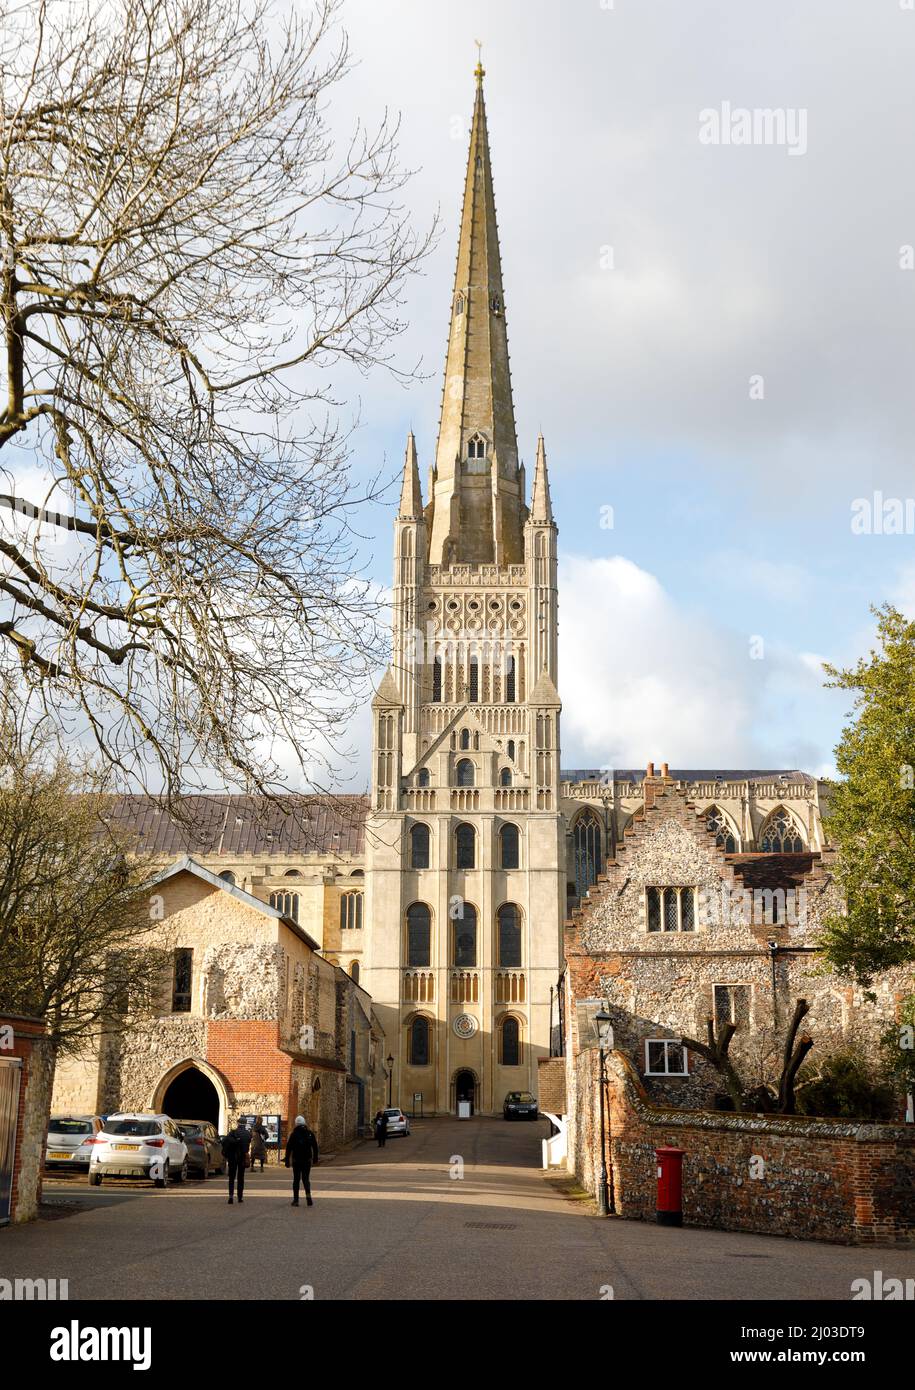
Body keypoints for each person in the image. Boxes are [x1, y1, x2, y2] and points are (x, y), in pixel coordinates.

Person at [284, 1115, 319, 1207]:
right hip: (307, 1160)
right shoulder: (310, 1133)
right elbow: (315, 1146)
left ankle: (296, 1200)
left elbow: (288, 1148)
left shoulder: (294, 1134)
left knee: (296, 1179)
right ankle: (308, 1197)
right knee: (306, 1178)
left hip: (296, 1160)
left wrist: (287, 1160)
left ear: (296, 1124)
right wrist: (315, 1158)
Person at [222, 1117, 251, 1204]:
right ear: (245, 1123)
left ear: (238, 1123)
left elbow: (224, 1141)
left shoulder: (233, 1132)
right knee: (240, 1177)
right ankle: (240, 1197)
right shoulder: (248, 1134)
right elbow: (248, 1143)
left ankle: (230, 1196)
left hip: (232, 1157)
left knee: (231, 1177)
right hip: (242, 1157)